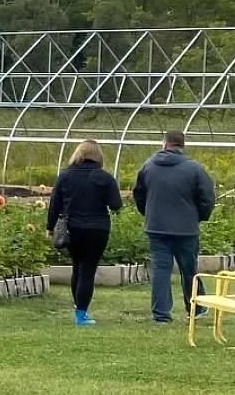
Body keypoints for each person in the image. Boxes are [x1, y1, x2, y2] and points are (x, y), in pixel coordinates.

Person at [133, 129, 216, 324]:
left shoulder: (148, 166)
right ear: (183, 146)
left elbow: (139, 193)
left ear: (165, 143)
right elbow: (207, 197)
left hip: (157, 226)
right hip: (186, 228)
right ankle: (196, 307)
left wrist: (149, 212)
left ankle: (161, 314)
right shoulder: (194, 168)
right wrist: (200, 215)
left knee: (160, 270)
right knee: (189, 269)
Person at [47, 139, 123, 327]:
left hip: (72, 228)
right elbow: (116, 205)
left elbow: (55, 204)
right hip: (97, 228)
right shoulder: (105, 178)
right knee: (88, 270)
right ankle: (81, 314)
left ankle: (78, 308)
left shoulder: (65, 176)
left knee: (77, 267)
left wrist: (50, 227)